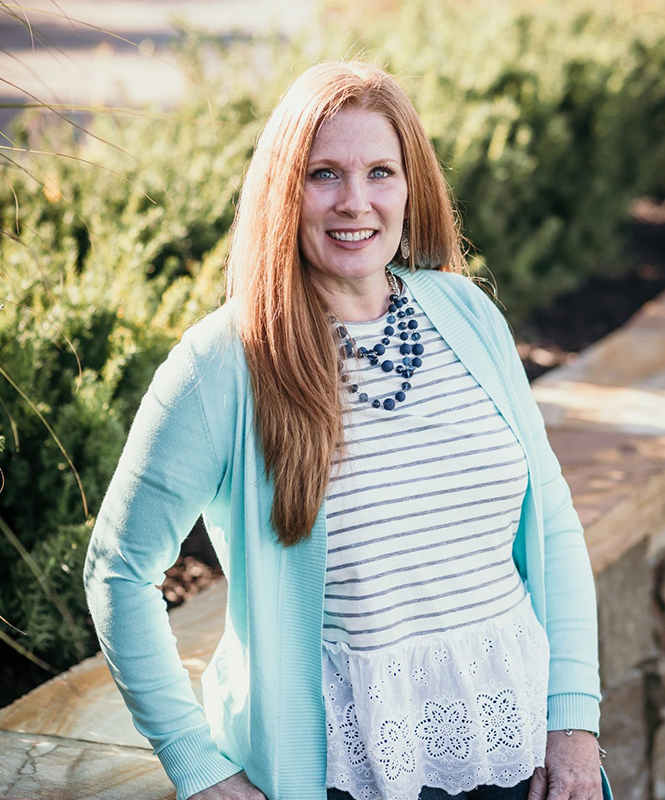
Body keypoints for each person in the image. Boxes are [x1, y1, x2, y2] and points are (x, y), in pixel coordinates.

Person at [84, 61, 612, 800]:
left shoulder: (466, 313)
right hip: (346, 778)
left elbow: (551, 520)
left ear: (411, 186)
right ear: (282, 191)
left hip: (515, 760)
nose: (355, 203)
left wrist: (573, 722)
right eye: (323, 174)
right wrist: (198, 766)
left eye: (380, 172)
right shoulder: (226, 361)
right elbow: (117, 570)